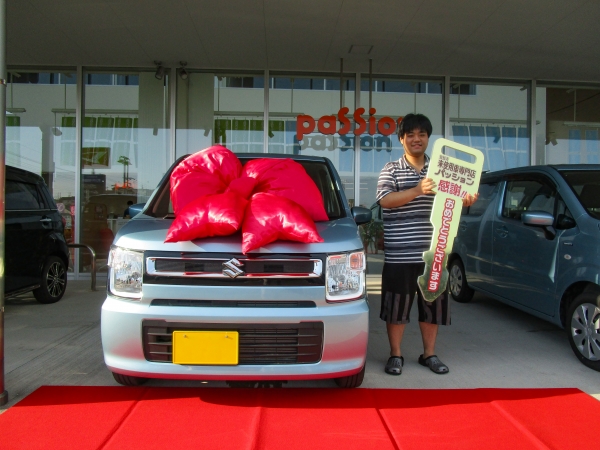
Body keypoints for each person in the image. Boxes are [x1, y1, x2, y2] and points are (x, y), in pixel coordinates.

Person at [375, 113, 478, 376]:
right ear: (401, 139)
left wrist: (465, 199)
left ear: (428, 138)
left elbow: (456, 199)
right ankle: (395, 354)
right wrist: (417, 190)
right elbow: (385, 200)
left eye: (421, 134)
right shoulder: (391, 169)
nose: (416, 139)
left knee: (433, 305)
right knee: (396, 306)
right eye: (410, 134)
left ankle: (429, 354)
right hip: (400, 255)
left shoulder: (443, 169)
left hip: (435, 253)